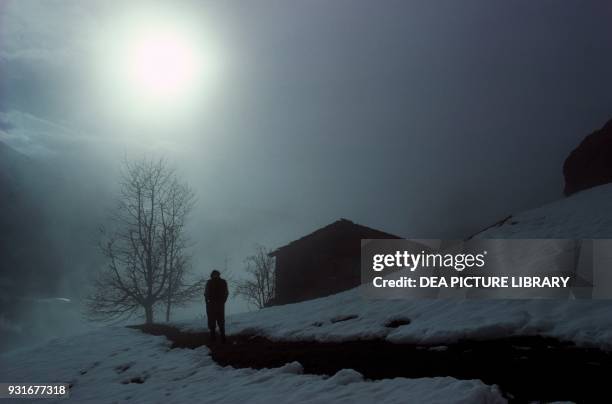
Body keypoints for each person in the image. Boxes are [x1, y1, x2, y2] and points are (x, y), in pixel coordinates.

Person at [204, 270, 229, 343]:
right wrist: (222, 301)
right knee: (215, 321)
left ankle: (219, 337)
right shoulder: (222, 282)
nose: (215, 276)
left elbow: (206, 293)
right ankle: (216, 337)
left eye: (215, 274)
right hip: (214, 305)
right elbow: (206, 293)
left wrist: (222, 301)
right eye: (214, 274)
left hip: (215, 305)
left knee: (218, 320)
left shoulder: (211, 282)